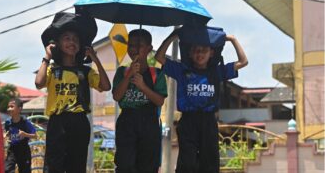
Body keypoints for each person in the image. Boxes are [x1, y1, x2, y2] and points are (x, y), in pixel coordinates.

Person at [155, 26, 248, 173]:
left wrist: (233, 39)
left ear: (211, 53)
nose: (200, 54)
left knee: (209, 162)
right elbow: (159, 57)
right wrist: (173, 37)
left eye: (204, 50)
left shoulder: (216, 72)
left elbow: (243, 62)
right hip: (188, 121)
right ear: (190, 53)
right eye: (196, 50)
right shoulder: (182, 70)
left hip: (209, 121)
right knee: (187, 162)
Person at [35, 12, 111, 173]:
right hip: (57, 122)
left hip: (79, 122)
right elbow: (39, 83)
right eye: (67, 38)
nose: (72, 42)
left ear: (80, 46)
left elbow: (106, 86)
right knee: (54, 164)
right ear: (58, 44)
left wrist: (95, 59)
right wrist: (47, 57)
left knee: (77, 165)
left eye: (75, 39)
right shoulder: (52, 69)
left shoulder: (85, 71)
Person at [112, 29, 167, 173]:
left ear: (149, 48)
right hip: (127, 120)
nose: (134, 49)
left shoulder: (157, 74)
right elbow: (117, 96)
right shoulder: (122, 71)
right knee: (125, 163)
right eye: (131, 45)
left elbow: (159, 101)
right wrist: (128, 75)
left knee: (148, 164)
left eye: (139, 45)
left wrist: (143, 86)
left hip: (149, 121)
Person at [4, 98, 37, 173]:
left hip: (24, 150)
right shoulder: (7, 122)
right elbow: (8, 134)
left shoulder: (25, 122)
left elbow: (35, 135)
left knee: (25, 170)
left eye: (12, 107)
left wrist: (25, 134)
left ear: (19, 109)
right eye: (8, 107)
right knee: (7, 169)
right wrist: (7, 136)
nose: (9, 109)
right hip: (12, 149)